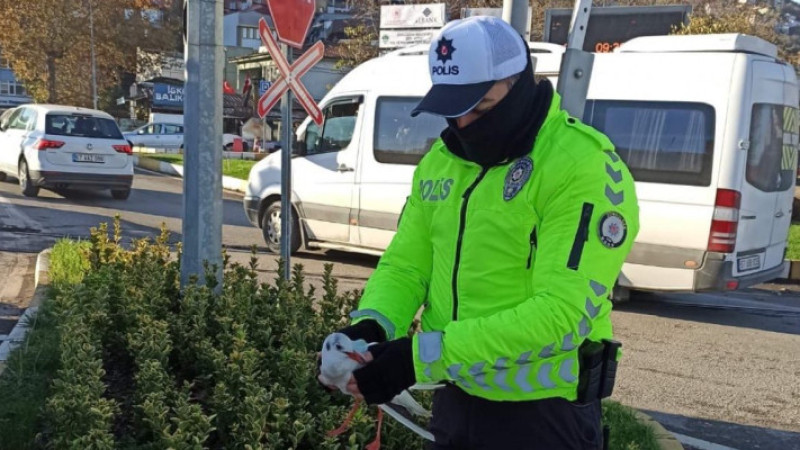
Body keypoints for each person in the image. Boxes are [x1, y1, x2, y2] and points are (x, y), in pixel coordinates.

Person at [321, 16, 640, 450]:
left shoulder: (581, 166)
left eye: (483, 106)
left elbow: (562, 315)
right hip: (455, 399)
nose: (466, 124)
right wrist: (372, 327)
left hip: (543, 415)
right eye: (453, 109)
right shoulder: (442, 159)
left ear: (521, 82)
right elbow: (406, 265)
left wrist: (417, 359)